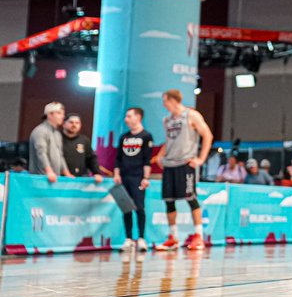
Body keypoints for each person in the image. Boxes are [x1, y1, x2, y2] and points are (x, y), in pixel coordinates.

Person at [152, 89, 214, 251]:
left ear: (173, 100)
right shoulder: (167, 120)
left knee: (191, 198)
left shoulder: (191, 115)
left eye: (165, 100)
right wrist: (160, 155)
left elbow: (207, 135)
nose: (163, 104)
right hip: (169, 164)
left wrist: (201, 159)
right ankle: (173, 237)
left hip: (186, 163)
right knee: (169, 201)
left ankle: (198, 236)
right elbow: (169, 140)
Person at [113, 107, 153, 252]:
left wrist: (145, 177)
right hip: (124, 177)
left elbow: (147, 159)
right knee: (126, 208)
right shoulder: (124, 137)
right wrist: (117, 174)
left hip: (138, 177)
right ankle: (128, 238)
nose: (126, 119)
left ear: (138, 117)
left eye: (129, 116)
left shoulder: (146, 136)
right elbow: (118, 158)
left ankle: (141, 238)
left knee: (139, 207)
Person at [28, 102, 71, 182]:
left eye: (62, 114)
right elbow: (41, 153)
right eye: (59, 113)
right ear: (49, 114)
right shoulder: (40, 131)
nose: (62, 116)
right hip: (40, 179)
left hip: (53, 178)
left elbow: (60, 155)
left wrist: (67, 173)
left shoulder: (57, 134)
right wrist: (49, 171)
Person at [61, 113, 104, 184]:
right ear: (64, 124)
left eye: (77, 123)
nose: (74, 125)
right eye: (71, 122)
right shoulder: (57, 139)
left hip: (81, 180)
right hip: (61, 179)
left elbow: (91, 158)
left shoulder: (84, 140)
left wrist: (97, 173)